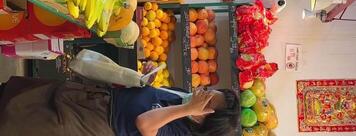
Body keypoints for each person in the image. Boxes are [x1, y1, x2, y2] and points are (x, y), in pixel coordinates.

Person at [0, 51, 239, 136]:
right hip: (94, 98)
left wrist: (186, 109)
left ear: (205, 115)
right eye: (207, 89)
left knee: (22, 119)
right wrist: (147, 82)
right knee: (25, 95)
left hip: (90, 123)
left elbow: (145, 123)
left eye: (206, 97)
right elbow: (150, 99)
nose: (199, 91)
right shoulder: (183, 97)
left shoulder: (182, 129)